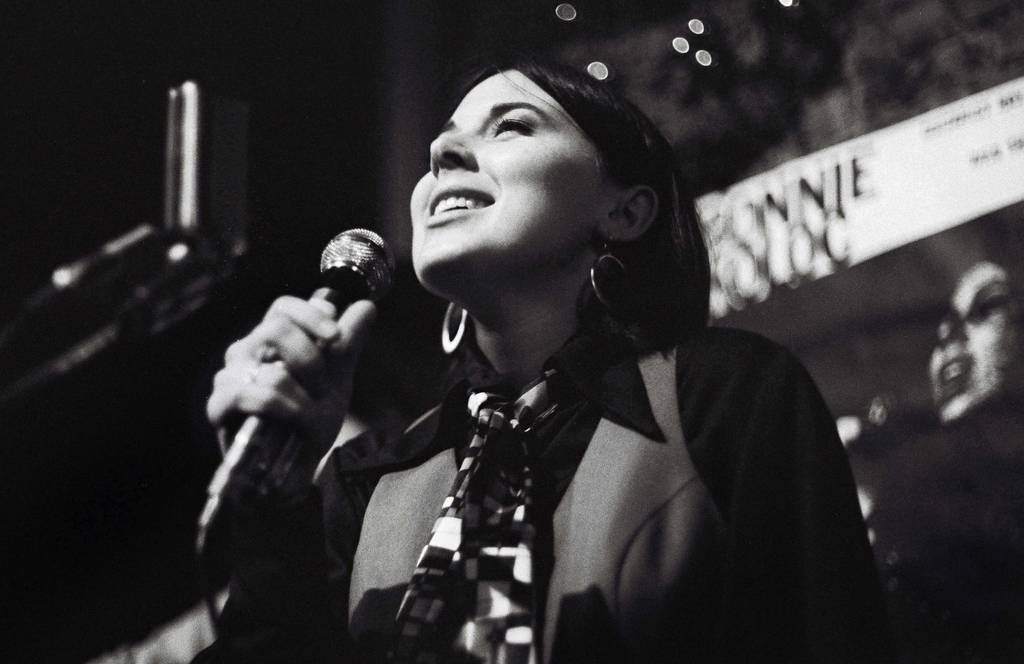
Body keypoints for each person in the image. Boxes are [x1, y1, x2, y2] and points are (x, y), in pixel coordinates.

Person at [196, 56, 890, 663]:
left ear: (625, 212)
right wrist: (274, 502)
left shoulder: (726, 395)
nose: (442, 152)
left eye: (511, 126)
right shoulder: (365, 477)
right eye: (444, 140)